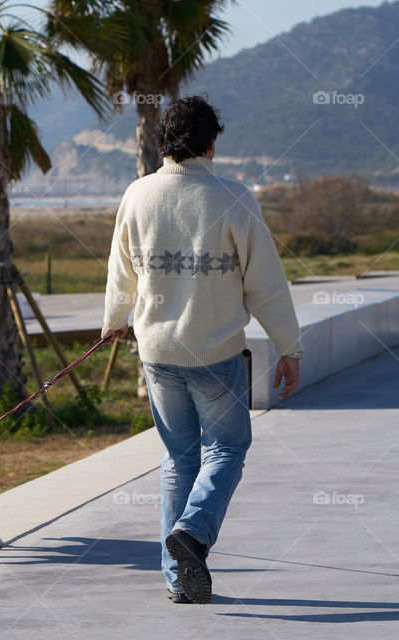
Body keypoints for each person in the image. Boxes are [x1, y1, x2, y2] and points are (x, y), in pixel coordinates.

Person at [101, 96, 302, 604]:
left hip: (157, 354)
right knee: (227, 448)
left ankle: (178, 580)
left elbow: (121, 270)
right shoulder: (234, 198)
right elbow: (266, 284)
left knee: (178, 459)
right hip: (215, 354)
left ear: (164, 144)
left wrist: (114, 321)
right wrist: (288, 346)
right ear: (211, 144)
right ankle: (192, 531)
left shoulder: (137, 195)